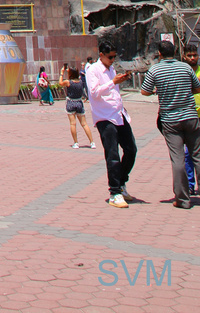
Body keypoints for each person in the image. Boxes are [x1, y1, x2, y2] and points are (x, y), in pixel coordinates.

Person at [141, 39, 200, 209]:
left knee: (178, 159)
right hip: (190, 116)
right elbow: (197, 88)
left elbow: (145, 91)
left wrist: (157, 90)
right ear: (175, 52)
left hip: (170, 120)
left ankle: (182, 199)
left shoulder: (155, 70)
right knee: (197, 156)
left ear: (159, 54)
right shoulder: (186, 67)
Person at [86, 40, 135, 208]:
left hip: (118, 114)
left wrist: (118, 81)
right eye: (110, 57)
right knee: (112, 154)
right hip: (104, 116)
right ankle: (114, 192)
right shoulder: (93, 70)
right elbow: (94, 93)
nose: (113, 60)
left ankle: (121, 182)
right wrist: (113, 82)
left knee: (131, 149)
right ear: (101, 55)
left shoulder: (111, 68)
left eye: (114, 57)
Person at [59, 67, 96, 149]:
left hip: (71, 102)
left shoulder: (69, 82)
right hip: (79, 102)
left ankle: (76, 143)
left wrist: (62, 73)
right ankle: (92, 142)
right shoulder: (80, 82)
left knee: (73, 124)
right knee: (84, 124)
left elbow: (60, 83)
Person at [182, 44, 200, 194]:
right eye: (190, 55)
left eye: (195, 55)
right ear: (184, 56)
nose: (193, 58)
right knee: (188, 153)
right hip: (188, 116)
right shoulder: (182, 72)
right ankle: (189, 184)